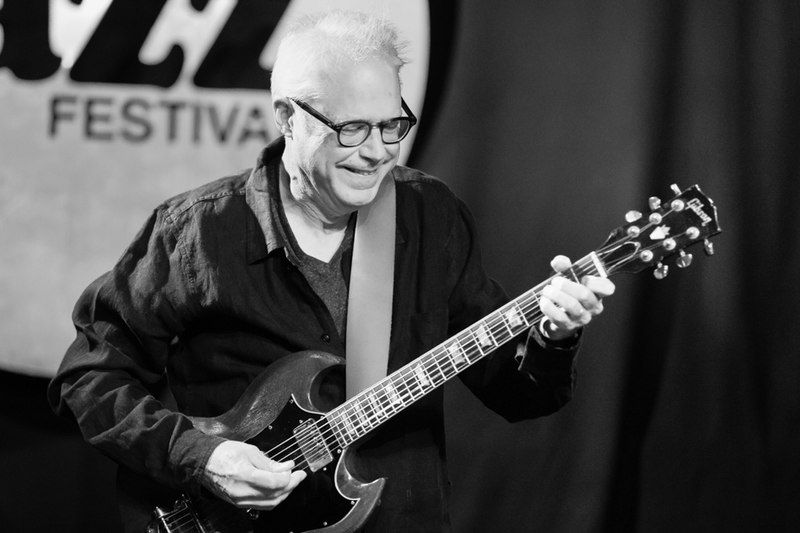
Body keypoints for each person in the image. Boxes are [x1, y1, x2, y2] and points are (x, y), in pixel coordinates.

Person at [48, 9, 615, 533]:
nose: (377, 152)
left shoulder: (430, 217)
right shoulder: (195, 231)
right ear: (288, 118)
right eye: (352, 128)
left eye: (391, 125)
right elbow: (90, 378)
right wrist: (203, 457)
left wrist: (552, 338)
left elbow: (518, 398)